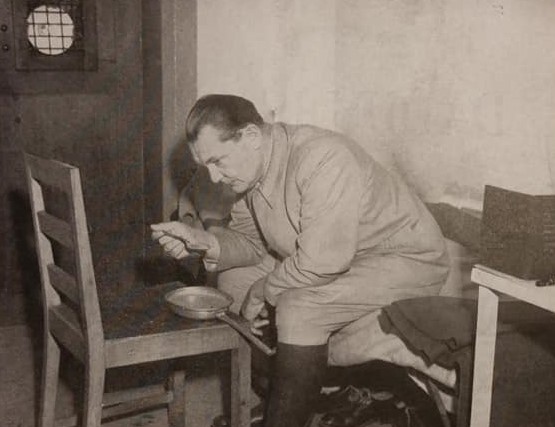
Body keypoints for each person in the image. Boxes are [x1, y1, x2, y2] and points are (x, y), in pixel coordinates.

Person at [151, 94, 451, 427]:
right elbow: (252, 244)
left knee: (300, 308)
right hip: (342, 258)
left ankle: (285, 415)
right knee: (234, 279)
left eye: (217, 161)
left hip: (404, 260)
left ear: (251, 136)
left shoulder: (321, 157)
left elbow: (322, 262)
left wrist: (263, 290)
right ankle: (290, 398)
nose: (214, 177)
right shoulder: (251, 173)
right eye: (205, 165)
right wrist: (204, 243)